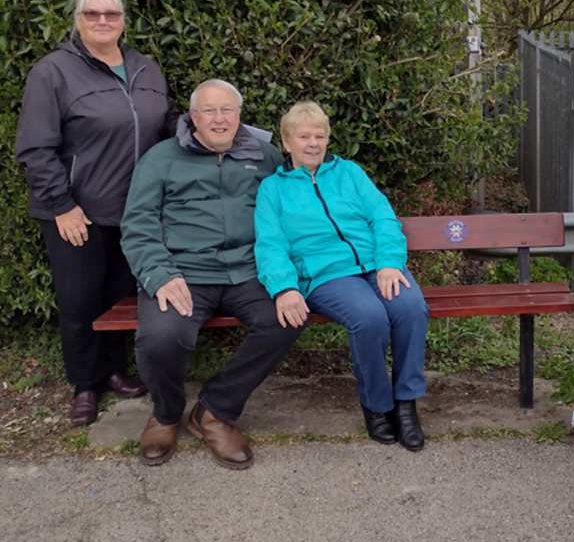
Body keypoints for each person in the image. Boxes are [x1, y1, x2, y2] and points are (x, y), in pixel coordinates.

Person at [121, 79, 302, 469]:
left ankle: (214, 410)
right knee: (161, 337)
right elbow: (138, 224)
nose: (219, 119)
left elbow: (289, 212)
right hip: (183, 273)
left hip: (249, 271)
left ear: (239, 116)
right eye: (209, 111)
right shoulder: (160, 158)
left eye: (227, 110)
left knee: (285, 319)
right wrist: (159, 274)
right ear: (192, 117)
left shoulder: (265, 155)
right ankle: (167, 413)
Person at [15, 0, 174, 426]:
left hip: (136, 210)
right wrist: (62, 205)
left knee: (121, 296)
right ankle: (85, 384)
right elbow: (35, 147)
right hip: (76, 212)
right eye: (92, 14)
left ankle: (115, 371)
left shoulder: (146, 69)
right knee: (80, 299)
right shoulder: (53, 72)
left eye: (112, 14)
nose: (103, 21)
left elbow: (164, 128)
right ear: (78, 21)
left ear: (124, 21)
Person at [254, 101, 429, 451]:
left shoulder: (349, 173)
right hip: (326, 275)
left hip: (376, 265)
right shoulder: (273, 189)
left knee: (410, 308)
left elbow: (383, 217)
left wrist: (390, 262)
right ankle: (377, 405)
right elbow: (270, 244)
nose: (313, 143)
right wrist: (285, 288)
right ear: (287, 143)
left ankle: (406, 403)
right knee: (368, 317)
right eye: (304, 136)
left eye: (320, 135)